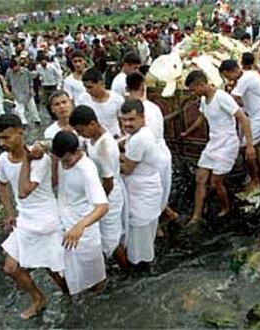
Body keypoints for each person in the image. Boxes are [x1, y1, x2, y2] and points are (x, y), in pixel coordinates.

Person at [0, 114, 66, 320]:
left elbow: (24, 190)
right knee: (11, 267)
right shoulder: (3, 159)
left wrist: (27, 158)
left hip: (46, 220)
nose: (2, 143)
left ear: (20, 132)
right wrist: (9, 212)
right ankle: (38, 298)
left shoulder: (40, 159)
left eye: (7, 137)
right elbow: (1, 184)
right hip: (25, 220)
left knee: (53, 270)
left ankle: (72, 297)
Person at [181, 70, 256, 224]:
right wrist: (187, 133)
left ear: (201, 84)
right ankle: (196, 216)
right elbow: (201, 119)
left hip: (227, 144)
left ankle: (226, 207)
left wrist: (249, 145)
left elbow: (243, 119)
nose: (193, 93)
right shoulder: (204, 100)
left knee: (216, 182)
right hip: (213, 143)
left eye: (194, 89)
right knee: (200, 179)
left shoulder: (222, 97)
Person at [69, 105, 127, 270]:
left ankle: (126, 269)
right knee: (106, 235)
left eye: (81, 131)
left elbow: (108, 182)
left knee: (110, 239)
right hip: (102, 190)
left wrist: (99, 202)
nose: (81, 135)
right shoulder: (93, 137)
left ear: (93, 124)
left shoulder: (104, 147)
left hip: (109, 194)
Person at [52, 130, 109, 295]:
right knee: (72, 271)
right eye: (62, 160)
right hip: (65, 225)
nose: (67, 164)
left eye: (69, 160)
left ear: (77, 151)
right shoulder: (60, 159)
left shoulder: (86, 169)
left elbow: (102, 206)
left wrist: (80, 226)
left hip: (84, 230)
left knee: (95, 277)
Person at [125, 71, 178, 222]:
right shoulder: (154, 107)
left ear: (127, 89)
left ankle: (158, 223)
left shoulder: (134, 111)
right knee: (160, 191)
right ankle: (165, 215)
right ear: (143, 87)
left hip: (149, 158)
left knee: (150, 195)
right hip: (161, 153)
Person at [119, 99, 163, 269]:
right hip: (147, 186)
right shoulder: (140, 134)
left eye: (131, 120)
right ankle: (145, 261)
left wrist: (107, 162)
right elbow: (132, 159)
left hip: (142, 190)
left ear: (142, 118)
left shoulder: (139, 139)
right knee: (145, 233)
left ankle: (140, 266)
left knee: (139, 233)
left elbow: (128, 168)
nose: (127, 124)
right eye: (124, 120)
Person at [219, 55, 260, 191]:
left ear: (234, 71)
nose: (229, 80)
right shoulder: (250, 74)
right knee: (257, 146)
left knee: (246, 147)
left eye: (228, 76)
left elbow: (233, 100)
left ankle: (255, 178)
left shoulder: (245, 79)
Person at [78, 67, 124, 138]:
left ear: (100, 83)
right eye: (85, 87)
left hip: (114, 138)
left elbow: (122, 122)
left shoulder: (118, 100)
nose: (87, 91)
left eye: (90, 87)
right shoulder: (83, 100)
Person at [5, 58, 41, 126]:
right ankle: (24, 122)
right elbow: (7, 82)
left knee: (32, 108)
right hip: (16, 93)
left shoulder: (25, 71)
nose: (14, 68)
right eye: (12, 67)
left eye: (15, 66)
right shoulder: (9, 72)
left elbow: (30, 80)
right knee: (19, 110)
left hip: (27, 92)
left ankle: (36, 120)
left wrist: (31, 88)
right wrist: (8, 92)